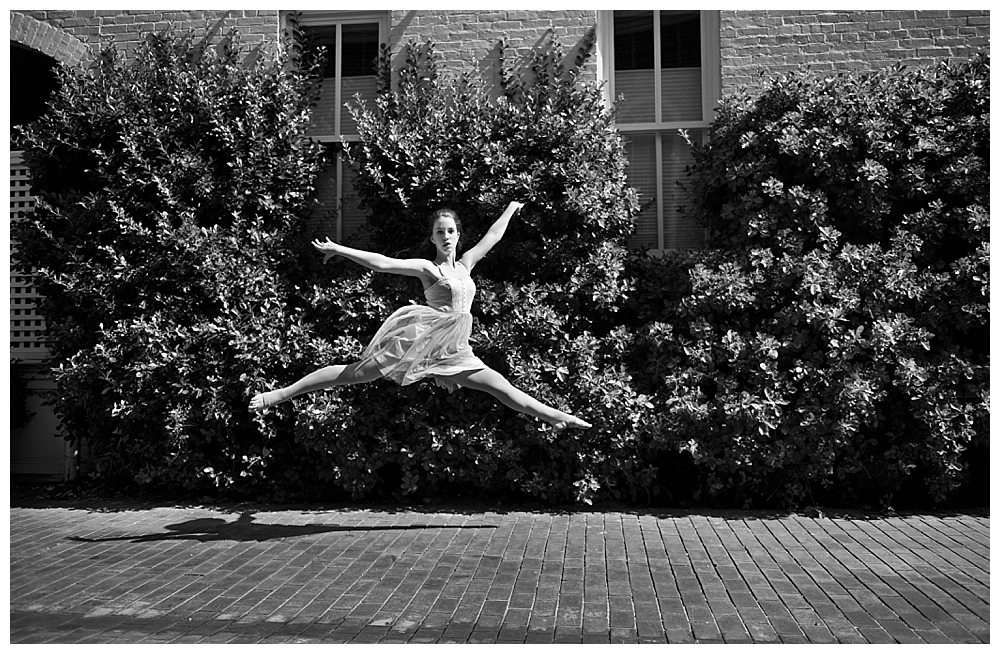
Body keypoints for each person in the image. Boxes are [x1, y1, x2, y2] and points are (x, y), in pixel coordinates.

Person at [249, 201, 592, 431]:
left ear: (458, 236)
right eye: (440, 231)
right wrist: (340, 250)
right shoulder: (428, 268)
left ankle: (553, 416)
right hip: (421, 339)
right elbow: (383, 262)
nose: (446, 236)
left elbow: (493, 236)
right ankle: (279, 395)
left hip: (455, 350)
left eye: (451, 231)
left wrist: (510, 209)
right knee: (354, 374)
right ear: (432, 237)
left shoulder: (466, 264)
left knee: (500, 387)